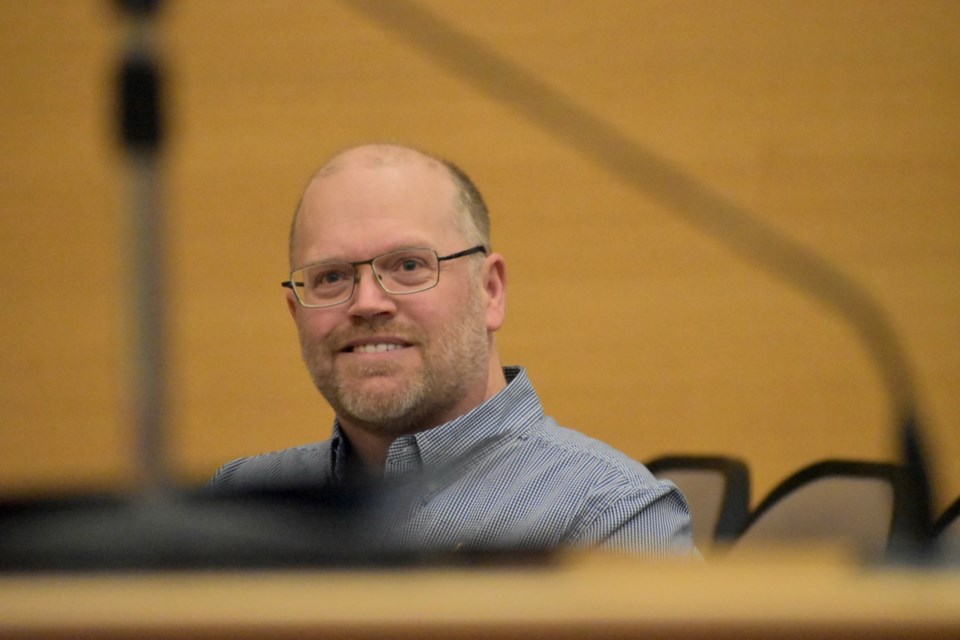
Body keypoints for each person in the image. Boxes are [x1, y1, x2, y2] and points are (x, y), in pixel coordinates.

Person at [210, 143, 694, 556]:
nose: (367, 303)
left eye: (408, 265)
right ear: (297, 313)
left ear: (490, 291)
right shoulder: (238, 506)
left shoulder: (607, 521)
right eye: (331, 277)